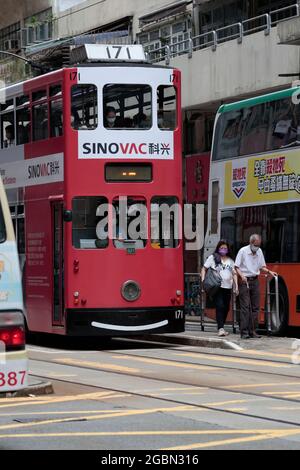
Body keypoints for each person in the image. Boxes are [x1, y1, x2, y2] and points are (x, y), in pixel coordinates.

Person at [235, 234, 277, 339]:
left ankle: (252, 331)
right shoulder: (243, 251)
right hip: (244, 281)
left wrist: (270, 272)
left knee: (255, 307)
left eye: (259, 245)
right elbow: (236, 267)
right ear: (251, 243)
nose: (257, 247)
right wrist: (242, 276)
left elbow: (262, 266)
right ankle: (244, 332)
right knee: (245, 307)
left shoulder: (259, 252)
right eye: (255, 245)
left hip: (255, 280)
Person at [201, 240, 238, 337]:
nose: (223, 250)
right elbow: (204, 268)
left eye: (225, 248)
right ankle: (220, 328)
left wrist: (236, 286)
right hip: (217, 287)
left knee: (226, 308)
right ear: (218, 248)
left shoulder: (230, 260)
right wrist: (203, 280)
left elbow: (234, 273)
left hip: (228, 287)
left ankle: (221, 326)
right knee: (220, 306)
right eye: (221, 248)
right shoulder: (213, 258)